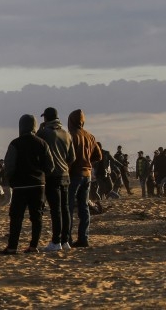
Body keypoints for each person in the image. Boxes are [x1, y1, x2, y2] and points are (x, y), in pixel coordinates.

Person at [0, 114, 55, 254]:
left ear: (21, 126)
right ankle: (33, 246)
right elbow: (51, 166)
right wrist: (41, 176)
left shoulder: (15, 143)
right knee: (36, 217)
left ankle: (12, 247)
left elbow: (9, 166)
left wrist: (12, 181)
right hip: (38, 186)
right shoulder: (42, 143)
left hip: (20, 186)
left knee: (16, 217)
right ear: (34, 126)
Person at [37, 107, 75, 252]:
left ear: (46, 118)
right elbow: (72, 158)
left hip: (51, 176)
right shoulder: (66, 134)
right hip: (65, 175)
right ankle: (65, 241)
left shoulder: (44, 133)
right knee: (65, 209)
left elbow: (36, 145)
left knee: (56, 210)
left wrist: (39, 130)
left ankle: (56, 241)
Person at [68, 109, 102, 248]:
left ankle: (67, 239)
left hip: (74, 174)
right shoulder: (90, 136)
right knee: (84, 207)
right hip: (87, 175)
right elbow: (98, 156)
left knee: (68, 207)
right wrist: (87, 161)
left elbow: (69, 158)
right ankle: (83, 238)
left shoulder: (71, 136)